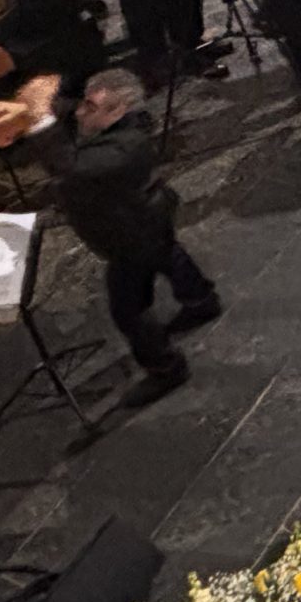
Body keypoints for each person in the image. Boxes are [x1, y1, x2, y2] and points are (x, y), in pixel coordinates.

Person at [64, 69, 220, 406]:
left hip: (129, 234)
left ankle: (165, 367)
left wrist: (39, 126)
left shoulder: (119, 148)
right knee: (169, 255)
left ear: (116, 111)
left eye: (90, 107)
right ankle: (201, 300)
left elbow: (72, 167)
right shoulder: (127, 131)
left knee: (128, 309)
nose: (79, 112)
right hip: (149, 217)